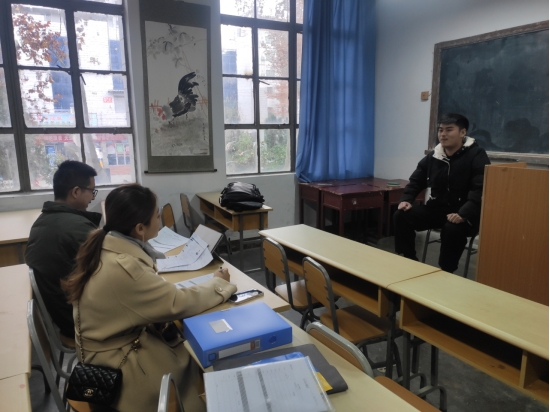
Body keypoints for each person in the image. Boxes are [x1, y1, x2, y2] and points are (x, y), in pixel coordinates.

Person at [62, 184, 236, 412]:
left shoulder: (107, 245)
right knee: (194, 358)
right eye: (157, 215)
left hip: (106, 351)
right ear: (140, 228)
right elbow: (177, 302)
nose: (159, 220)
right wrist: (218, 283)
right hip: (118, 366)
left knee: (182, 338)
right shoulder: (124, 268)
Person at [394, 113, 491, 273]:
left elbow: (481, 188)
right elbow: (416, 181)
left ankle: (446, 271)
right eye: (440, 130)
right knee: (401, 215)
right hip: (437, 209)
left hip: (465, 214)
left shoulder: (476, 155)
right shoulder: (434, 156)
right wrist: (406, 199)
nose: (443, 134)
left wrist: (464, 213)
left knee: (452, 229)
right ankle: (408, 259)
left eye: (449, 130)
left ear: (462, 132)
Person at [25, 160, 101, 341]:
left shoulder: (43, 220)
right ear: (75, 192)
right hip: (79, 320)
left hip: (62, 315)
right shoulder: (77, 228)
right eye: (92, 191)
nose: (93, 198)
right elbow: (110, 268)